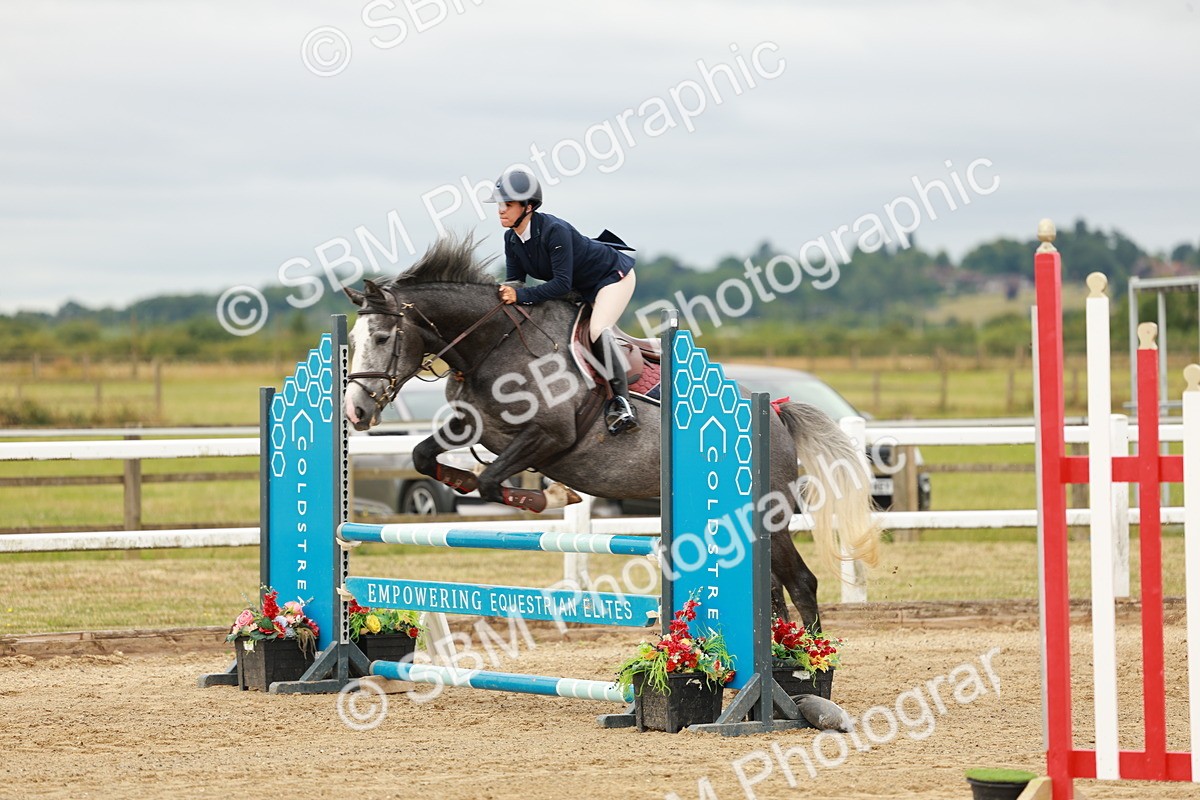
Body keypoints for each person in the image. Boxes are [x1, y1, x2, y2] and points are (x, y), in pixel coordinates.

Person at [486, 167, 639, 435]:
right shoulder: (511, 238)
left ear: (529, 206)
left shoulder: (554, 230)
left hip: (612, 278)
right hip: (579, 287)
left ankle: (622, 403)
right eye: (500, 204)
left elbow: (560, 284)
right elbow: (515, 283)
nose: (501, 210)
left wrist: (520, 295)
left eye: (508, 204)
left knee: (597, 330)